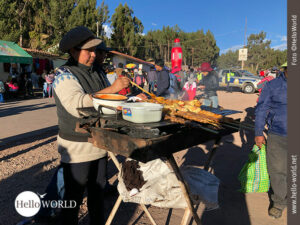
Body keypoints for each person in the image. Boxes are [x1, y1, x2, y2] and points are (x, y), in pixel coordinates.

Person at [52, 26, 132, 225]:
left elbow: (109, 100)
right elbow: (76, 105)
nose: (94, 54)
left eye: (95, 50)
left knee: (97, 195)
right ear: (73, 51)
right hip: (77, 147)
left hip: (99, 143)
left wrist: (130, 99)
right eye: (89, 50)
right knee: (73, 198)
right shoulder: (63, 74)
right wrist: (112, 89)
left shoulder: (98, 72)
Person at [254, 64, 287, 219]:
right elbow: (261, 109)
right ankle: (279, 202)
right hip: (278, 134)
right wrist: (258, 133)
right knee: (277, 170)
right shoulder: (272, 85)